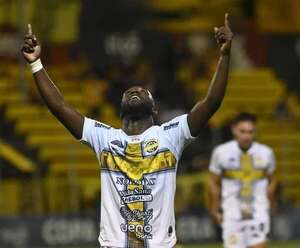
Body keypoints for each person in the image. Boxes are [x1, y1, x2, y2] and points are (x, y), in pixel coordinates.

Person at [21, 14, 233, 248]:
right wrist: (35, 63)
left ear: (154, 109)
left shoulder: (170, 135)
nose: (135, 92)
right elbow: (59, 106)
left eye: (142, 92)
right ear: (121, 109)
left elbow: (211, 101)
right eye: (129, 92)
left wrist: (224, 56)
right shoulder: (104, 137)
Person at [209, 112, 277, 248]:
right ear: (234, 130)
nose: (246, 136)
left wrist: (270, 200)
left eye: (251, 132)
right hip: (231, 213)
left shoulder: (266, 153)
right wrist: (214, 208)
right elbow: (213, 182)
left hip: (258, 211)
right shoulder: (221, 152)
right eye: (243, 131)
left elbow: (273, 180)